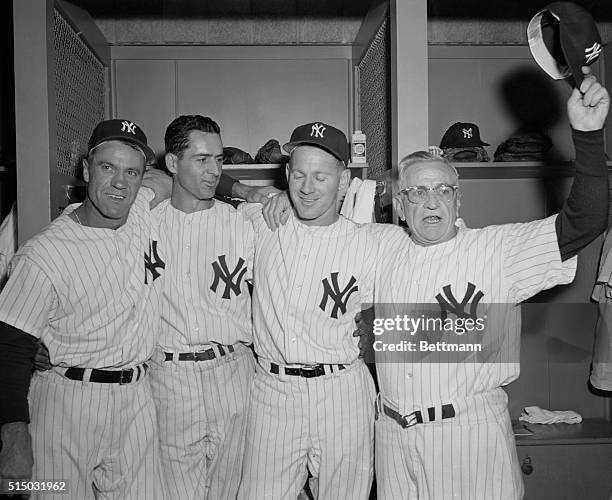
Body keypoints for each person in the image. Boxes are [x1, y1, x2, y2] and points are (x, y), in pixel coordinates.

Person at [373, 68, 609, 499]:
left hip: (468, 436)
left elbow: (586, 221)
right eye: (417, 193)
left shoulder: (496, 251)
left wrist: (589, 136)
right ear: (399, 207)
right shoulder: (380, 248)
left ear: (458, 199)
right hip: (393, 441)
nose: (431, 201)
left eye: (443, 190)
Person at [0, 119, 168, 498]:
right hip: (66, 401)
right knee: (55, 492)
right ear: (87, 169)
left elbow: (178, 177)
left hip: (137, 397)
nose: (120, 183)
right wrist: (13, 440)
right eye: (108, 168)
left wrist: (240, 188)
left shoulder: (140, 209)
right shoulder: (44, 253)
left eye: (132, 172)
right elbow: (9, 351)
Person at [236, 122, 404, 500]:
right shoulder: (260, 224)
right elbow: (176, 185)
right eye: (298, 175)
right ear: (286, 174)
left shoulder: (375, 242)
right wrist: (251, 192)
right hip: (272, 391)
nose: (307, 188)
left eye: (320, 177)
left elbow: (443, 248)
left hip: (342, 390)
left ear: (344, 183)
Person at [149, 115, 256, 499]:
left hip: (233, 369)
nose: (215, 170)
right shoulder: (141, 226)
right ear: (173, 164)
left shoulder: (245, 223)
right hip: (168, 374)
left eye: (219, 159)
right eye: (202, 159)